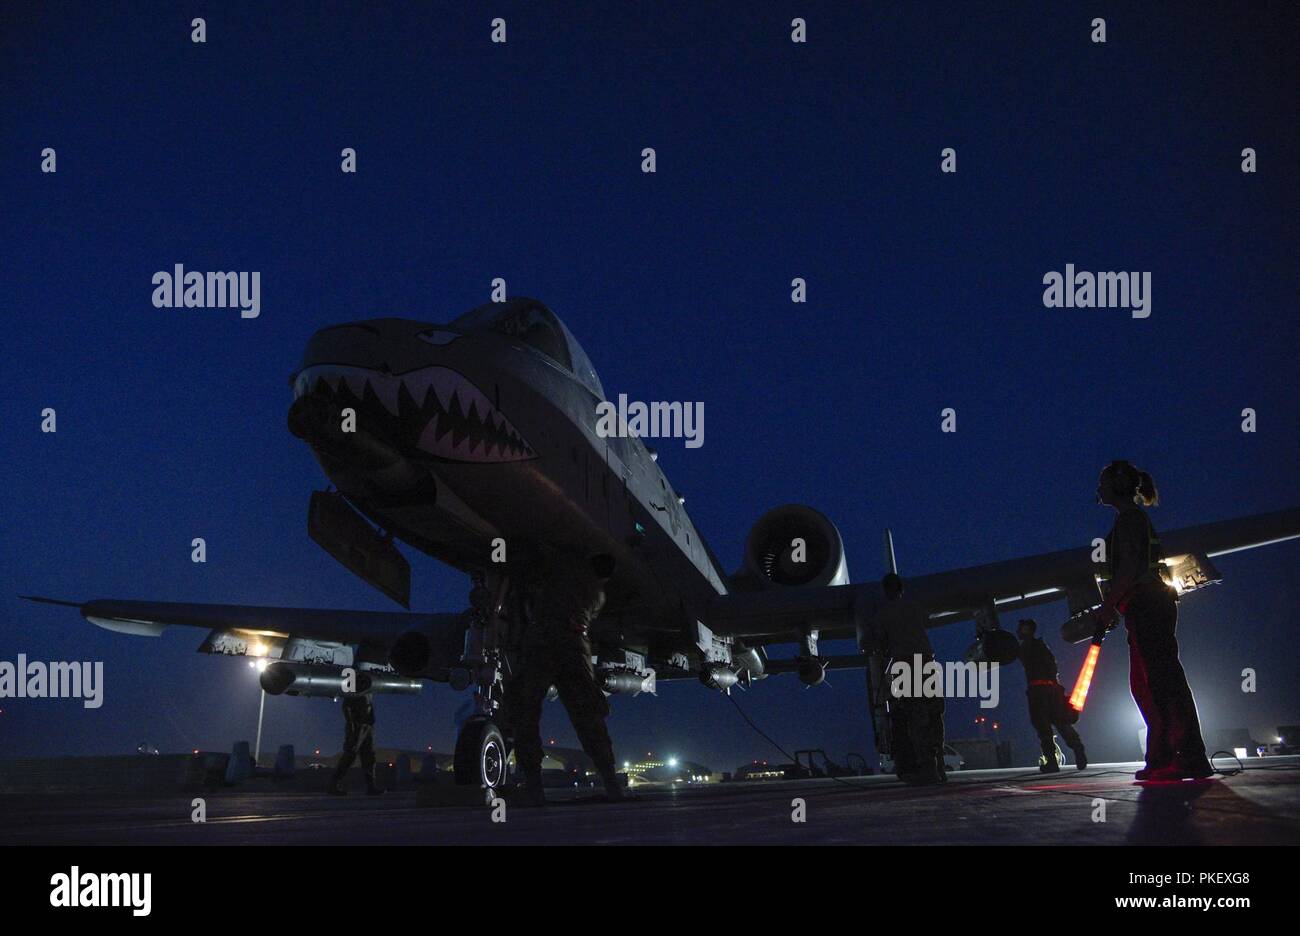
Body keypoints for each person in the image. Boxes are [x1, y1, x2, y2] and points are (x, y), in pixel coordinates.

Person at [1093, 461, 1211, 781]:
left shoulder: (1130, 520)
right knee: (1146, 684)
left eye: (1103, 482)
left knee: (1161, 682)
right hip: (1142, 606)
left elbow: (1130, 568)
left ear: (1117, 486)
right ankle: (1162, 757)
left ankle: (1187, 756)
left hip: (1147, 604)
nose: (1098, 488)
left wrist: (1107, 607)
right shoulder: (1129, 520)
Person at [506, 548, 624, 805]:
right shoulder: (598, 594)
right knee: (589, 715)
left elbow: (531, 598)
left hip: (540, 643)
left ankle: (534, 788)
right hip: (574, 646)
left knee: (525, 711)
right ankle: (612, 784)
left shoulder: (560, 577)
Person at [872, 573, 946, 784]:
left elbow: (880, 640)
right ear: (902, 589)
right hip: (926, 661)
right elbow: (927, 623)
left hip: (905, 664)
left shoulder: (883, 613)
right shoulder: (915, 605)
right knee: (934, 714)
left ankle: (927, 768)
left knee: (916, 718)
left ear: (886, 591)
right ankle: (940, 766)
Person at [1016, 618, 1087, 772]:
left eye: (1021, 629)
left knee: (1043, 728)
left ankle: (1052, 762)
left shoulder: (1026, 647)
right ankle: (1077, 747)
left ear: (1027, 630)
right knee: (1061, 722)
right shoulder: (1042, 646)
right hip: (1053, 689)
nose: (1018, 631)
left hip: (1037, 691)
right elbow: (1053, 668)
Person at [328, 693, 382, 796]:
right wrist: (351, 725)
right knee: (350, 755)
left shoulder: (369, 687)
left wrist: (371, 721)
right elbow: (346, 706)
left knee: (369, 756)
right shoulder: (354, 681)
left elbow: (369, 704)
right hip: (357, 725)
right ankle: (333, 784)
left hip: (367, 726)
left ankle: (371, 786)